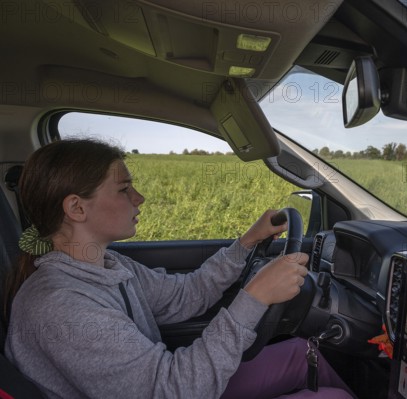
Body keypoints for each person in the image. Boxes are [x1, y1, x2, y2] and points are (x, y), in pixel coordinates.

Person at [3, 139, 355, 399]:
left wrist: (245, 243)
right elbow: (173, 390)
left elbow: (186, 296)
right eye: (125, 189)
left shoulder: (109, 265)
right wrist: (255, 296)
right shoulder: (62, 308)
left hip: (168, 384)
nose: (138, 198)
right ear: (77, 209)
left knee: (298, 352)